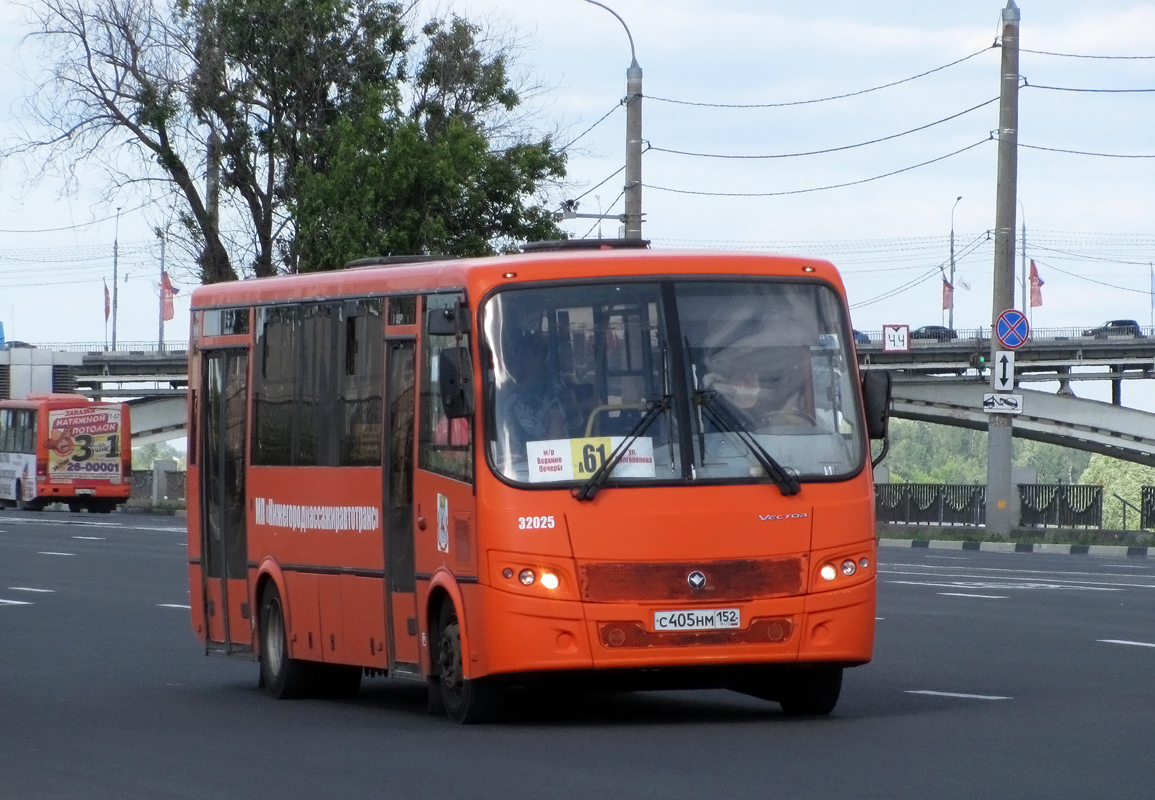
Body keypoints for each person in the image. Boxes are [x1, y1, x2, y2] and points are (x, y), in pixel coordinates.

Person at [702, 347, 814, 429]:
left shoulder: (778, 405)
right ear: (731, 381)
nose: (749, 381)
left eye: (752, 375)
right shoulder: (719, 411)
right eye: (743, 376)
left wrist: (793, 421)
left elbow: (805, 425)